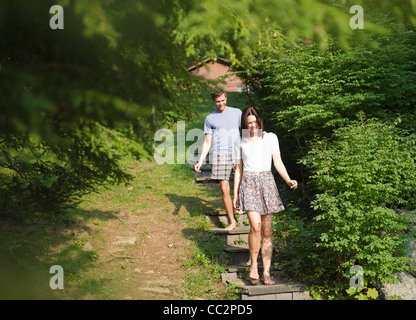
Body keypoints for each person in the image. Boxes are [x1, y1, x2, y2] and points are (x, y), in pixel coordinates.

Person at [233, 106, 298, 285]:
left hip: (267, 183)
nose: (253, 126)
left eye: (255, 122)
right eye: (249, 123)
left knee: (267, 231)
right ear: (244, 125)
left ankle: (267, 272)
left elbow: (278, 162)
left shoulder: (270, 138)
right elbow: (238, 169)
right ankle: (254, 266)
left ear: (259, 121)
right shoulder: (240, 141)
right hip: (249, 183)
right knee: (255, 226)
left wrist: (288, 179)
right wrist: (235, 195)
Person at [194, 90, 242, 231]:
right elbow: (207, 142)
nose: (221, 104)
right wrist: (200, 161)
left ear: (226, 98)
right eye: (218, 101)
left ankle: (240, 206)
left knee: (242, 183)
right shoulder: (210, 118)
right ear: (214, 102)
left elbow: (246, 130)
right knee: (224, 188)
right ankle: (232, 221)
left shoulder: (237, 112)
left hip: (238, 152)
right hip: (220, 155)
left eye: (223, 100)